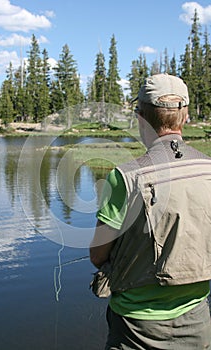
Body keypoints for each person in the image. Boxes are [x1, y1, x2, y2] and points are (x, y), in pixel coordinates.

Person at [90, 74, 211, 350]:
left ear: (141, 117)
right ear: (186, 116)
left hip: (135, 329)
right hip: (198, 321)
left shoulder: (124, 177)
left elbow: (98, 256)